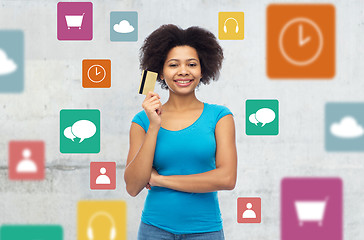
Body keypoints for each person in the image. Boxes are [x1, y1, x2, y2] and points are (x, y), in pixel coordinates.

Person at [124, 24, 237, 240]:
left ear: (202, 69)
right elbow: (133, 185)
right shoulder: (142, 122)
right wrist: (154, 125)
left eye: (191, 64)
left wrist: (161, 180)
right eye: (173, 64)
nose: (183, 71)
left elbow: (227, 178)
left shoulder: (220, 117)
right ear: (160, 71)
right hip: (154, 230)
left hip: (206, 231)